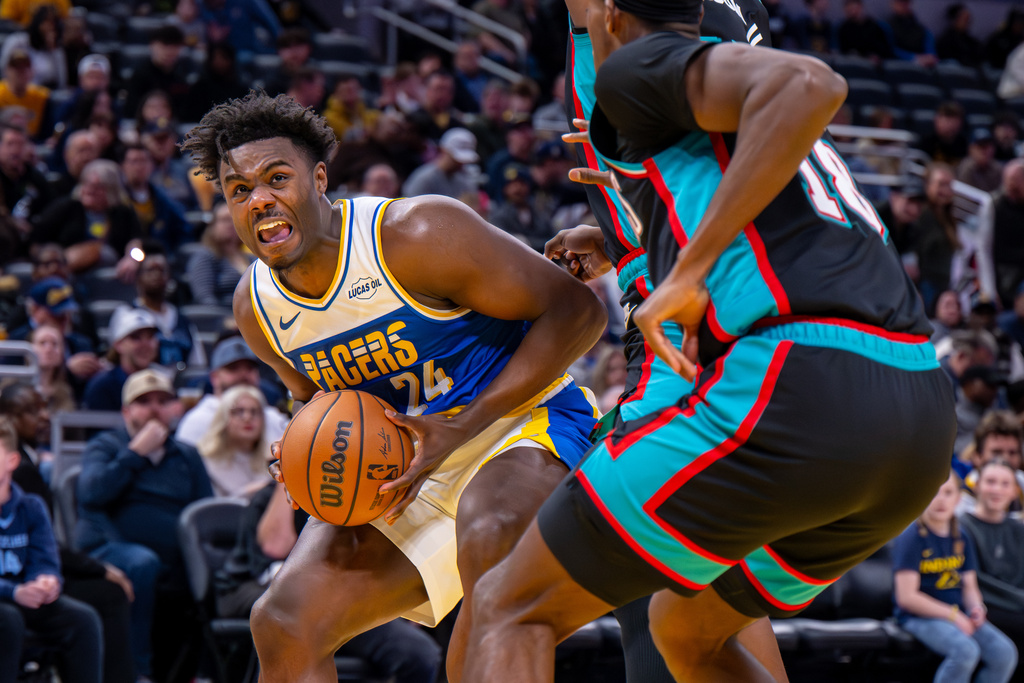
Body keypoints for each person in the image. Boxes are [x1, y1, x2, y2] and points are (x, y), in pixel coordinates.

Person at [463, 2, 955, 681]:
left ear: (610, 12)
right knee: (686, 627)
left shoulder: (643, 59)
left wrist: (686, 273)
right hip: (917, 410)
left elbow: (811, 84)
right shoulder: (730, 122)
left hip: (796, 377)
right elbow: (761, 199)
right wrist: (627, 240)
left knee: (509, 604)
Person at [180, 90, 605, 681]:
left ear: (320, 177)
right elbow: (312, 400)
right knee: (282, 621)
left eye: (278, 178)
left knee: (488, 533)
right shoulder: (256, 309)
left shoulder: (416, 233)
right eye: (240, 190)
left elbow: (578, 314)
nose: (261, 200)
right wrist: (300, 449)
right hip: (401, 464)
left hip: (520, 424)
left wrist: (459, 424)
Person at [216, 478, 443, 682]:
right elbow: (275, 547)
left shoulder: (363, 493)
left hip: (330, 592)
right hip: (249, 586)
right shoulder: (270, 495)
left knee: (420, 652)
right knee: (283, 621)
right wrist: (285, 479)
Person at [76, 368, 214, 681]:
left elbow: (202, 510)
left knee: (217, 572)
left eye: (163, 400)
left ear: (177, 408)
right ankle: (136, 672)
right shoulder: (106, 446)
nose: (154, 408)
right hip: (110, 549)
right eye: (144, 401)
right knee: (142, 563)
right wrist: (136, 452)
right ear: (126, 411)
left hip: (172, 560)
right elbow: (91, 494)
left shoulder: (187, 455)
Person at [1, 384, 136, 683]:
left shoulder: (26, 483)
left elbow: (44, 546)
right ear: (8, 417)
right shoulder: (19, 470)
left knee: (82, 615)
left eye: (44, 407)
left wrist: (48, 577)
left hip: (26, 577)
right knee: (107, 594)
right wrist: (100, 569)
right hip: (9, 588)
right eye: (33, 410)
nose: (44, 416)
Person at [0, 416, 103, 683]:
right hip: (8, 598)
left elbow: (45, 557)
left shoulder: (31, 506)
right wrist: (15, 591)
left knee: (82, 619)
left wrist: (47, 580)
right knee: (7, 619)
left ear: (11, 461)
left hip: (25, 594)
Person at [893, 471, 1018, 683]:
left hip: (957, 614)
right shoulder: (911, 537)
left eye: (948, 493)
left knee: (1004, 653)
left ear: (958, 499)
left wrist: (977, 608)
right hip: (918, 618)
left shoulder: (962, 536)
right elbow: (907, 597)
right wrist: (953, 616)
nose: (940, 500)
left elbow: (969, 585)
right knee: (965, 652)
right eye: (933, 493)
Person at [960, 459, 1024, 682]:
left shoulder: (1019, 530)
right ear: (977, 485)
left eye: (1005, 484)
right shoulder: (962, 527)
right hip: (982, 607)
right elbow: (974, 581)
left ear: (1015, 491)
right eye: (990, 482)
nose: (997, 489)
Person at [175, 335, 289, 447]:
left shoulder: (273, 418)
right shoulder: (197, 421)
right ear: (215, 377)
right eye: (233, 368)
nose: (244, 375)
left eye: (250, 368)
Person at [197, 385, 273, 498]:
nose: (247, 418)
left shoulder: (273, 459)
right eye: (239, 411)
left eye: (255, 412)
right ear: (223, 418)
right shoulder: (205, 460)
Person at [82, 307, 161, 412]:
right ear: (118, 345)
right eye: (136, 337)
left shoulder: (163, 381)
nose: (145, 345)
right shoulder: (102, 386)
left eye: (150, 337)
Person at [187, 202, 256, 306]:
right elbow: (204, 297)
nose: (230, 225)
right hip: (223, 317)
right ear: (213, 225)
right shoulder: (205, 256)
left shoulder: (252, 259)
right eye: (225, 220)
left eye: (234, 220)